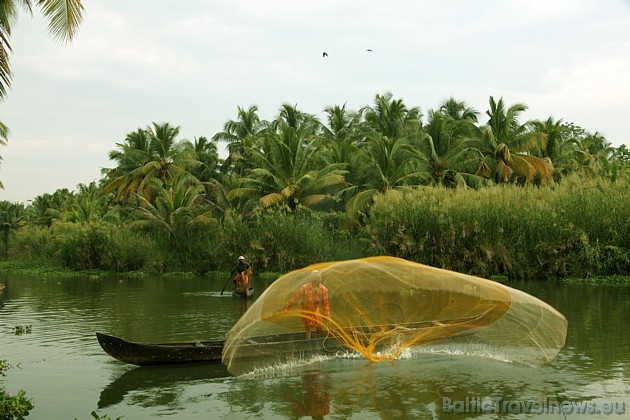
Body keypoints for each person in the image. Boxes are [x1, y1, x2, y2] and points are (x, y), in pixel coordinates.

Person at [284, 270, 330, 339]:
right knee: (308, 328)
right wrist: (287, 307)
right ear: (313, 279)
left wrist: (326, 314)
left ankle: (317, 341)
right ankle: (308, 341)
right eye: (317, 278)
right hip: (306, 310)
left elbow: (325, 303)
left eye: (320, 278)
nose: (319, 279)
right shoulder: (305, 288)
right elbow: (295, 297)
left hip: (315, 310)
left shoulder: (324, 290)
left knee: (319, 326)